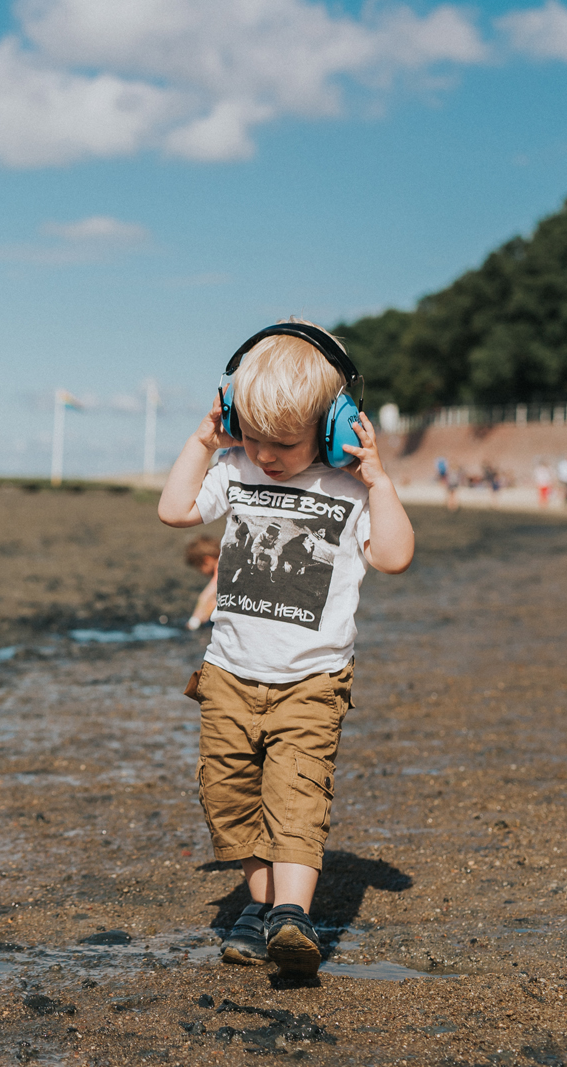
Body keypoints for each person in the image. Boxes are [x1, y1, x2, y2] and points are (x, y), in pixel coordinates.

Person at [157, 320, 415, 979]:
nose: (267, 454)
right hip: (229, 677)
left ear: (332, 427)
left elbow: (393, 556)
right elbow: (176, 509)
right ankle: (259, 904)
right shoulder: (235, 466)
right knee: (230, 794)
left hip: (311, 681)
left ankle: (291, 915)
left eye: (286, 442)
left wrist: (381, 483)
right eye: (255, 435)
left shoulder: (349, 487)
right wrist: (202, 440)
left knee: (296, 796)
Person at [184, 536, 220, 630]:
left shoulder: (221, 565)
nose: (201, 573)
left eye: (199, 568)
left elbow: (205, 596)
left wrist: (194, 621)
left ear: (206, 561)